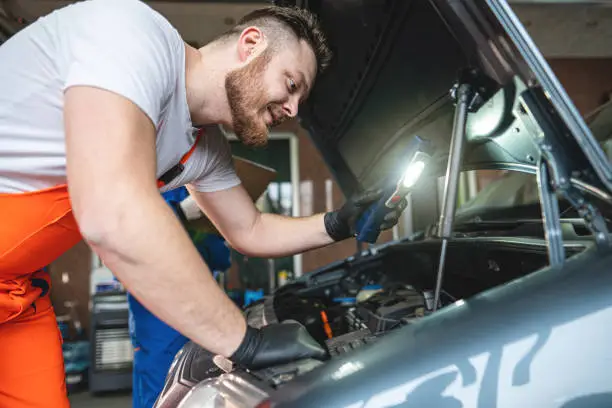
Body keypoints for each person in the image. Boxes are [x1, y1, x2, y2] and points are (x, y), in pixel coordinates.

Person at [0, 1, 407, 407]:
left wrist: (338, 222)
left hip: (16, 293)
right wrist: (243, 342)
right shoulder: (129, 34)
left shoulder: (202, 145)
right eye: (291, 84)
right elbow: (111, 213)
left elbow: (249, 230)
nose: (293, 109)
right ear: (250, 44)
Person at [129, 186, 232, 408]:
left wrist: (221, 221)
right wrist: (179, 213)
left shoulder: (195, 183)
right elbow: (131, 230)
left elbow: (220, 257)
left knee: (198, 388)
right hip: (158, 313)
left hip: (199, 309)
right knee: (161, 392)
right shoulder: (145, 179)